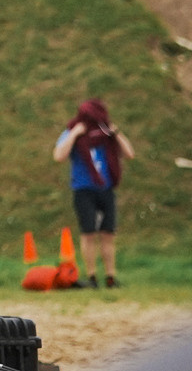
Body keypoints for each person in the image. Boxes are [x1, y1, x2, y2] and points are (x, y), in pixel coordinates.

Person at [54, 98, 135, 288]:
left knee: (108, 233)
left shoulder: (107, 134)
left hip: (105, 189)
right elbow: (58, 156)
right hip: (83, 189)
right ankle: (91, 277)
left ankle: (110, 276)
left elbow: (130, 154)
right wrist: (74, 134)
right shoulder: (73, 131)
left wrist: (116, 133)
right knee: (88, 233)